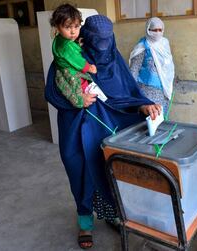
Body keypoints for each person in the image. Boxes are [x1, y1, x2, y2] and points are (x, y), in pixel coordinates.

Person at [45, 14, 162, 249]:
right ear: (86, 37)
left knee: (111, 170)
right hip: (77, 127)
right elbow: (52, 92)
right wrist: (78, 100)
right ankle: (85, 222)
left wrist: (143, 104)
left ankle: (112, 214)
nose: (102, 46)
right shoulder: (70, 56)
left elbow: (127, 91)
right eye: (97, 40)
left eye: (107, 40)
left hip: (110, 127)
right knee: (81, 172)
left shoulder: (113, 59)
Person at [50, 4, 98, 109]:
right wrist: (90, 68)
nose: (73, 32)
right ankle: (81, 100)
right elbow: (78, 61)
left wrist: (77, 45)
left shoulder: (61, 39)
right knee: (74, 89)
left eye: (76, 26)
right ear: (57, 27)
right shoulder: (66, 46)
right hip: (70, 73)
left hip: (63, 69)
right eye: (67, 27)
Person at [129, 17, 174, 113]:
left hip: (163, 89)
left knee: (160, 115)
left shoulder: (164, 43)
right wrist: (133, 92)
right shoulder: (142, 46)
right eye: (154, 30)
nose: (157, 33)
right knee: (149, 116)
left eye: (160, 30)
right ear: (148, 30)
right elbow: (134, 69)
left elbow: (168, 65)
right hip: (147, 90)